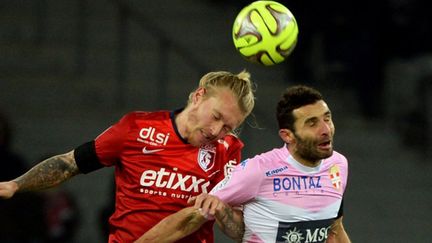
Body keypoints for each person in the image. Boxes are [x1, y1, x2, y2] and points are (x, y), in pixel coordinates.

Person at [0, 70, 256, 243]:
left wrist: (223, 211)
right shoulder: (137, 127)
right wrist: (16, 184)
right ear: (199, 96)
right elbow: (71, 163)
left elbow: (238, 229)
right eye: (216, 117)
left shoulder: (228, 149)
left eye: (227, 127)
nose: (216, 131)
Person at [137, 85, 351, 243]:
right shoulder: (258, 170)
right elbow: (191, 217)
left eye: (327, 118)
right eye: (312, 123)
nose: (326, 129)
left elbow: (335, 229)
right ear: (287, 135)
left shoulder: (338, 165)